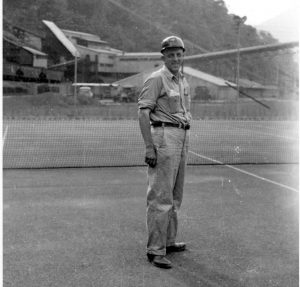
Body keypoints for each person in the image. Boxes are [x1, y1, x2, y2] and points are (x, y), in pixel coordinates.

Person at [138, 36, 192, 269]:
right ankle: (155, 250)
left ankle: (168, 241)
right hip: (163, 137)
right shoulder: (156, 79)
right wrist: (150, 147)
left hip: (181, 137)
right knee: (160, 197)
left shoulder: (181, 80)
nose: (176, 58)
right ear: (164, 56)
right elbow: (143, 113)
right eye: (171, 54)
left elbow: (183, 109)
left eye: (179, 54)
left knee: (175, 195)